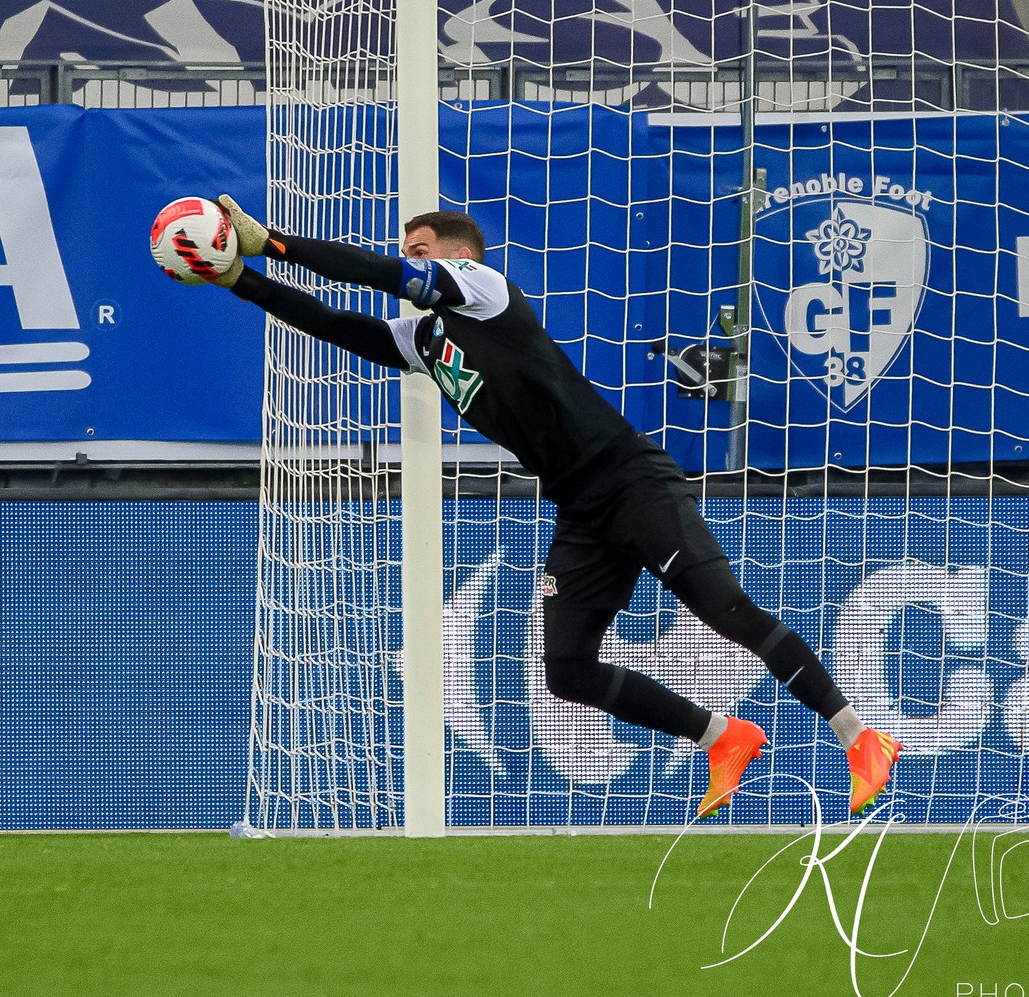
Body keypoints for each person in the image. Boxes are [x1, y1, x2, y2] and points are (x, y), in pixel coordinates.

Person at [193, 196, 902, 820]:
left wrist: (273, 242)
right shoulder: (427, 337)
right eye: (407, 249)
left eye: (420, 248)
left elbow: (381, 275)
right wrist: (242, 280)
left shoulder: (484, 289)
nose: (408, 259)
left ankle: (861, 737)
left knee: (726, 610)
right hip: (581, 509)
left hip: (630, 480)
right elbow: (336, 323)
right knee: (566, 669)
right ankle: (725, 737)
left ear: (458, 255)